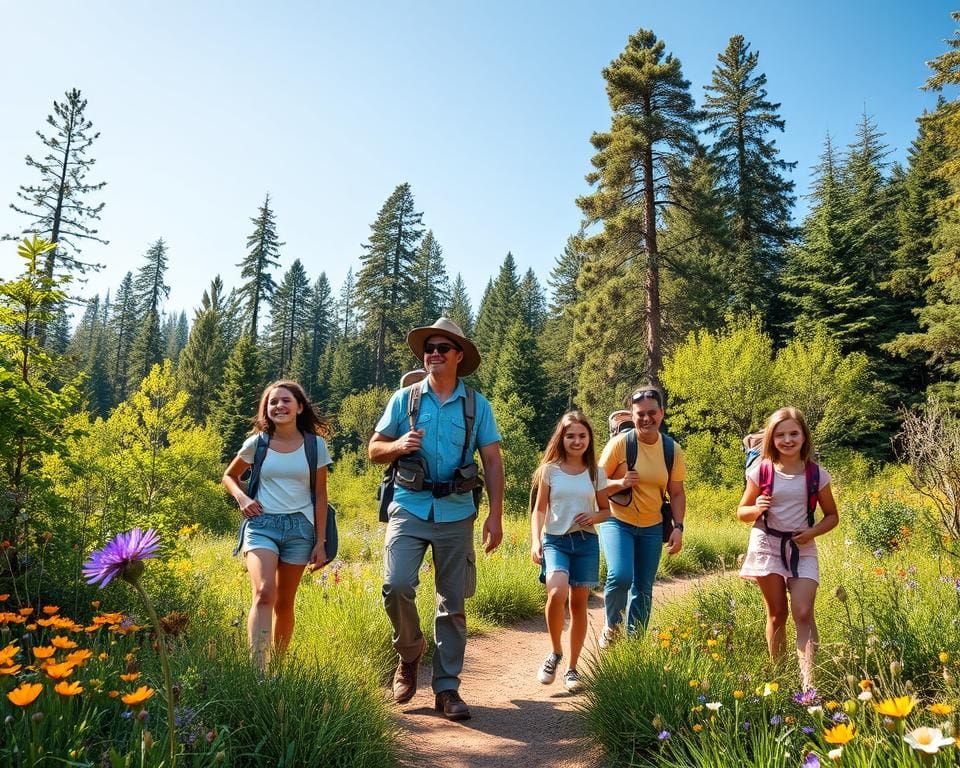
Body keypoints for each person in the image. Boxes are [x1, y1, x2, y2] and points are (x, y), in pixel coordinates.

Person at [369, 317, 504, 721]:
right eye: (429, 347)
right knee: (395, 586)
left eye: (443, 347)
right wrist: (397, 445)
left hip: (457, 513)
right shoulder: (405, 400)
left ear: (459, 356)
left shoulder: (477, 405)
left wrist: (495, 516)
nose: (433, 353)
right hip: (408, 506)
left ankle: (447, 690)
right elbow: (374, 449)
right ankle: (410, 654)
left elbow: (492, 462)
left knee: (453, 603)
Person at [222, 380, 333, 671]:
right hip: (261, 524)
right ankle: (257, 672)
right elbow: (229, 477)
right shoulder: (257, 443)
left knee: (284, 603)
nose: (279, 406)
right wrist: (243, 498)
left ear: (299, 407)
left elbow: (321, 495)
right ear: (266, 409)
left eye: (286, 401)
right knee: (263, 593)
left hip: (300, 529)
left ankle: (278, 670)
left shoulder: (315, 445)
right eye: (273, 402)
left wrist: (320, 543)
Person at [737, 406, 838, 690]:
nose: (788, 440)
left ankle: (809, 685)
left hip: (802, 547)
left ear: (804, 436)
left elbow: (832, 516)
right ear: (772, 438)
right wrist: (755, 508)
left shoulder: (818, 475)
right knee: (777, 613)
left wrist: (813, 532)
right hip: (766, 543)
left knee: (804, 612)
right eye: (781, 435)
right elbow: (742, 512)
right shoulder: (761, 471)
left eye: (794, 433)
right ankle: (779, 679)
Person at [597, 386, 686, 646]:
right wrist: (621, 482)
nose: (646, 419)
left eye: (652, 413)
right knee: (621, 575)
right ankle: (612, 625)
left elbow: (677, 493)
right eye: (640, 414)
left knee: (644, 588)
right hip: (617, 519)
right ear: (632, 415)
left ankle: (634, 644)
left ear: (661, 414)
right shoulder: (620, 444)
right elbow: (595, 483)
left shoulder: (671, 449)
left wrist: (678, 527)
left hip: (652, 525)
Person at [530, 411, 609, 693]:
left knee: (578, 605)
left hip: (586, 543)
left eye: (582, 436)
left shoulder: (596, 473)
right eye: (570, 436)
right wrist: (535, 540)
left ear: (590, 438)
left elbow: (606, 511)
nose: (577, 441)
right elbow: (539, 509)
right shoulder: (549, 470)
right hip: (555, 540)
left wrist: (594, 516)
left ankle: (573, 668)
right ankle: (555, 652)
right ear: (561, 438)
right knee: (556, 592)